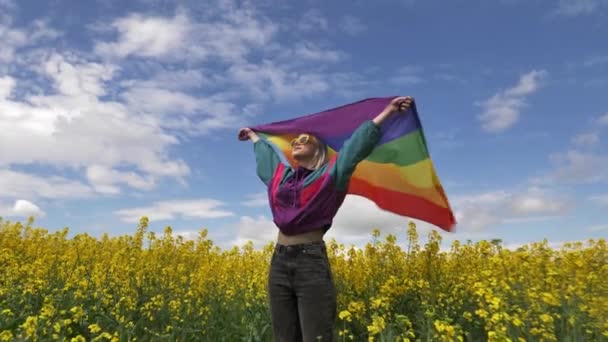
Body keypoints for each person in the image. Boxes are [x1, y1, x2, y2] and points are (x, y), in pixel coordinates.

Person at [238, 96, 414, 341]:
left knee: (316, 336)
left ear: (318, 149)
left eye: (304, 140)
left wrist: (388, 113)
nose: (297, 142)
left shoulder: (332, 174)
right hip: (278, 263)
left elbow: (355, 147)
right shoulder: (282, 178)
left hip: (310, 263)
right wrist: (254, 136)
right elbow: (267, 159)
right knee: (284, 337)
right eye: (295, 140)